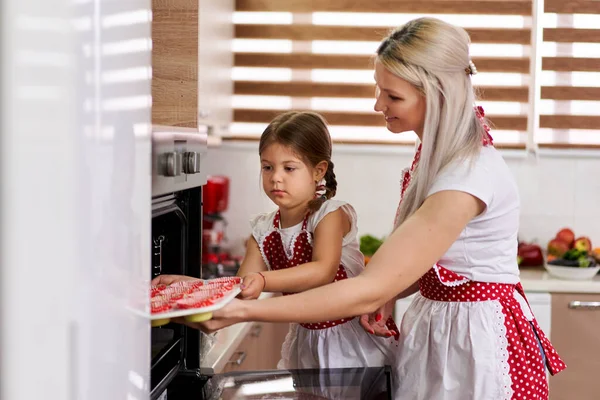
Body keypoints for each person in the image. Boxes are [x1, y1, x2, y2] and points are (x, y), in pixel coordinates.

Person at [154, 17, 566, 400]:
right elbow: (426, 266)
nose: (377, 104)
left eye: (392, 95)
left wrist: (242, 309)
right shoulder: (436, 157)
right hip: (441, 330)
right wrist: (208, 290)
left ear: (436, 94)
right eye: (379, 89)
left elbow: (369, 286)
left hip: (476, 345)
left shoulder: (468, 174)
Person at [162, 111, 398, 371]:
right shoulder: (263, 229)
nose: (276, 177)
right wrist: (192, 288)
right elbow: (241, 290)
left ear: (319, 171)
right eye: (267, 167)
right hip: (306, 344)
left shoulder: (329, 215)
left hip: (350, 346)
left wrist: (263, 280)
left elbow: (322, 270)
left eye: (289, 168)